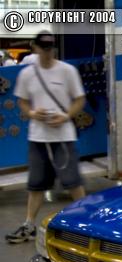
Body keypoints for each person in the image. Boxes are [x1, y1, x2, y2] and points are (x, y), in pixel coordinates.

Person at [5, 31, 86, 244]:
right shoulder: (27, 74)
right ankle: (29, 225)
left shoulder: (67, 71)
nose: (48, 52)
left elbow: (79, 99)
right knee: (36, 184)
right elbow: (22, 101)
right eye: (44, 48)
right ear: (35, 48)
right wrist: (33, 113)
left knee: (73, 182)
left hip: (64, 137)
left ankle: (87, 225)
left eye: (51, 48)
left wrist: (66, 116)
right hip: (38, 137)